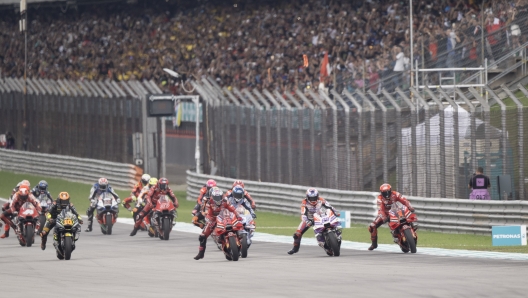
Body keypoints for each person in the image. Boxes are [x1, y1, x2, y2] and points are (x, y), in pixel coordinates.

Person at [194, 187, 242, 260]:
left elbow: (231, 208)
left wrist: (238, 215)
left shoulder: (225, 200)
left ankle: (240, 238)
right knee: (202, 236)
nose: (218, 198)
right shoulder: (208, 202)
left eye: (219, 197)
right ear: (212, 197)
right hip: (213, 219)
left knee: (238, 223)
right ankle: (201, 254)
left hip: (224, 217)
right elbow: (203, 211)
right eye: (216, 197)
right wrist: (207, 217)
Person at [287, 188, 339, 255]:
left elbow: (330, 207)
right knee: (297, 234)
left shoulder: (321, 199)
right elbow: (303, 214)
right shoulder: (304, 202)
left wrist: (335, 212)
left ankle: (336, 236)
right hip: (309, 219)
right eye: (311, 198)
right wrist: (307, 221)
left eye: (314, 197)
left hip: (320, 217)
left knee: (333, 222)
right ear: (307, 197)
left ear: (317, 196)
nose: (313, 200)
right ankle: (295, 248)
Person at [368, 183, 415, 251]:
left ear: (390, 190)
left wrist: (410, 207)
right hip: (385, 214)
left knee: (407, 216)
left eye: (387, 192)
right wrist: (384, 218)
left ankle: (412, 228)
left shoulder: (396, 194)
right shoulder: (380, 198)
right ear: (381, 193)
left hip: (396, 211)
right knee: (372, 226)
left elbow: (405, 200)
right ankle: (374, 244)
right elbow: (381, 209)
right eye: (384, 193)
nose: (386, 194)